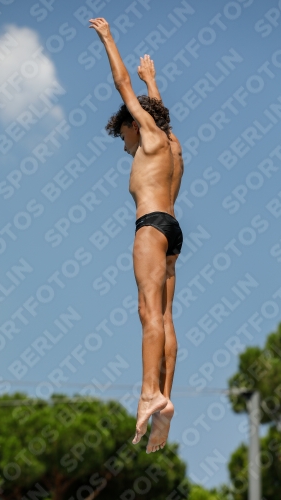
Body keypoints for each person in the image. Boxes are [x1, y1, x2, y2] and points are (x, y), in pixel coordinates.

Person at [89, 18, 184, 453]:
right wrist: (156, 84)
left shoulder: (146, 136)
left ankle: (148, 393)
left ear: (135, 124)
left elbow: (122, 85)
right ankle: (165, 393)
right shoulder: (172, 147)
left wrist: (108, 38)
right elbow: (161, 119)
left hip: (150, 228)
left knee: (147, 315)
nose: (125, 144)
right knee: (164, 318)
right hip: (174, 232)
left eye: (123, 134)